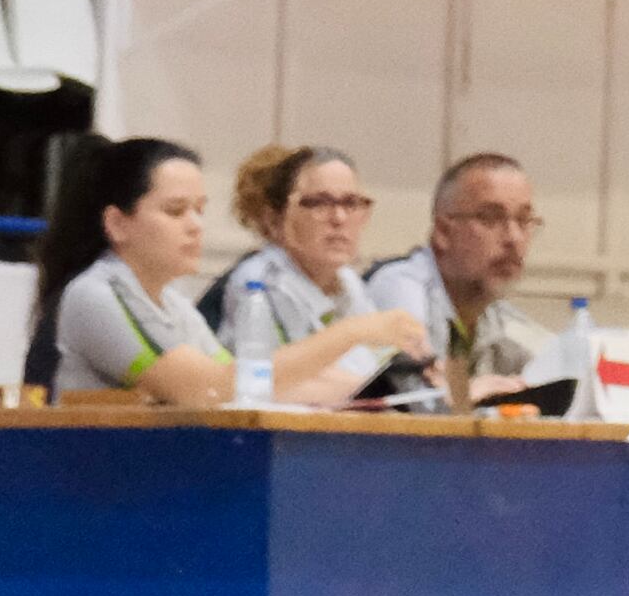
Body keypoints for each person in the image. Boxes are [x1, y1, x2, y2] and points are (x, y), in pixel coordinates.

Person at [207, 143, 432, 408]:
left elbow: (369, 375)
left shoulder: (349, 283)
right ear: (274, 219)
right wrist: (357, 342)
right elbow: (274, 387)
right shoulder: (260, 282)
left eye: (351, 203)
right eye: (319, 203)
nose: (339, 218)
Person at [24, 135, 231, 404]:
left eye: (200, 210)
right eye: (176, 211)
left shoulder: (175, 305)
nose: (195, 226)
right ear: (117, 224)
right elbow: (204, 389)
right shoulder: (94, 296)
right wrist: (305, 355)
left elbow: (234, 382)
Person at [355, 151, 552, 408]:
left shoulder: (498, 316)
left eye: (524, 220)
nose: (513, 238)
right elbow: (419, 408)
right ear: (443, 231)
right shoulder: (401, 287)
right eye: (491, 218)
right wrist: (466, 393)